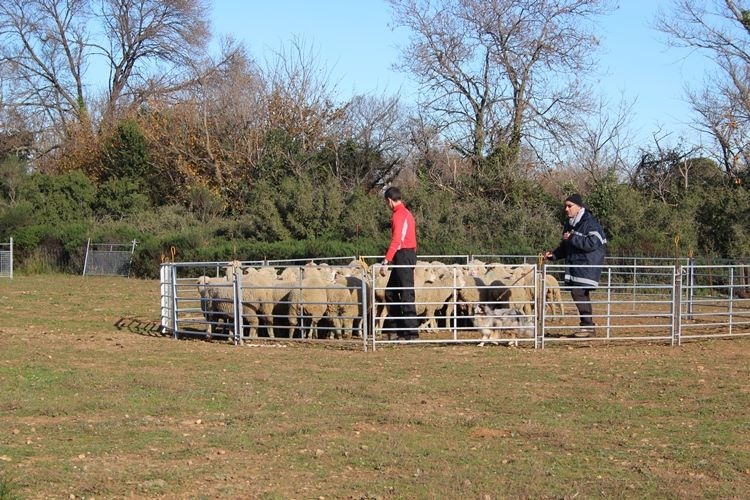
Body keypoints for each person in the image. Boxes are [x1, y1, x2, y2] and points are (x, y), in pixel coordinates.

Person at [544, 193, 607, 337]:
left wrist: (573, 238)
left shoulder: (590, 223)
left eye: (569, 206)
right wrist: (553, 255)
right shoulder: (569, 224)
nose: (566, 209)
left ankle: (587, 327)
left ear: (579, 207)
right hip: (576, 264)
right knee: (580, 293)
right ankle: (587, 327)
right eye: (565, 206)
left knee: (578, 292)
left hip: (587, 264)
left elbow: (593, 243)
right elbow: (566, 247)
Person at [379, 186, 419, 340]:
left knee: (406, 292)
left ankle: (411, 333)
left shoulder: (399, 215)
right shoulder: (407, 213)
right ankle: (397, 329)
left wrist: (386, 261)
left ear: (389, 200)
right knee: (390, 292)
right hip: (406, 254)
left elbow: (397, 239)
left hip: (403, 254)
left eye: (386, 203)